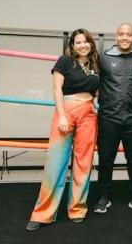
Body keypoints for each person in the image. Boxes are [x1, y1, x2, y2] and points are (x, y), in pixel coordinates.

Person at [26, 28, 100, 231]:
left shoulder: (95, 64)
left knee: (83, 163)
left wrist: (96, 103)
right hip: (66, 110)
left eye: (86, 41)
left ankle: (77, 209)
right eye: (78, 42)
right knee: (55, 163)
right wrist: (63, 115)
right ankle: (43, 214)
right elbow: (57, 89)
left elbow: (97, 89)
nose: (83, 45)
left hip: (89, 114)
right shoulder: (64, 61)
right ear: (72, 46)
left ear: (91, 44)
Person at [93, 23, 132, 214]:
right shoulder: (103, 59)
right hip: (109, 118)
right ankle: (103, 197)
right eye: (121, 34)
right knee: (106, 158)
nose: (125, 37)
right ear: (116, 37)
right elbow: (90, 82)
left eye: (129, 34)